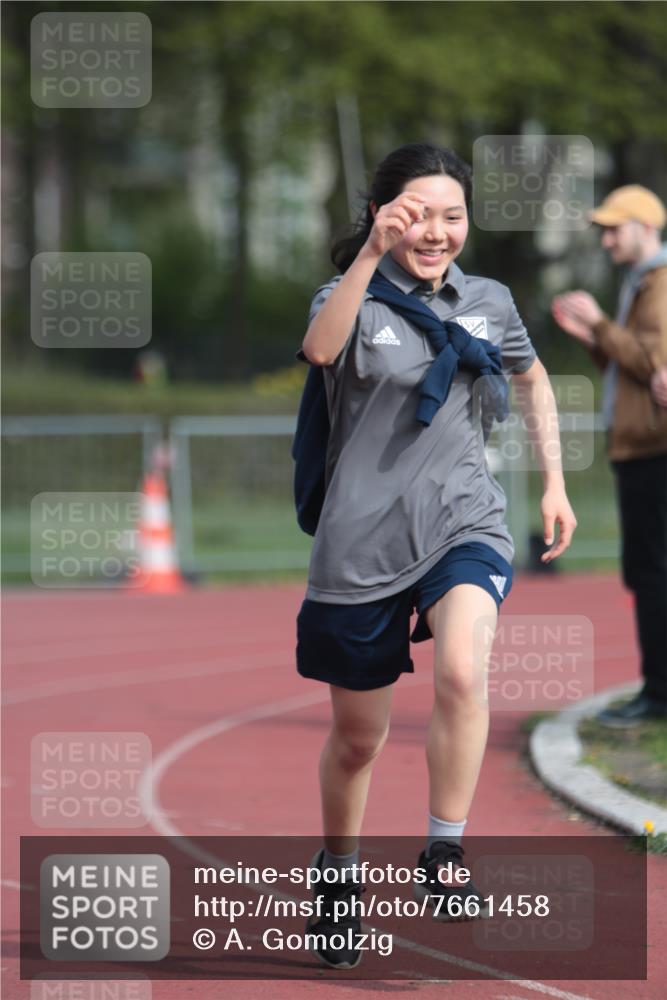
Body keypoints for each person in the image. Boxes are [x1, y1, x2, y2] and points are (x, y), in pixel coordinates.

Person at [296, 143, 576, 969]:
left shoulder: (487, 299)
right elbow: (319, 350)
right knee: (358, 739)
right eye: (418, 213)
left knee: (462, 669)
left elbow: (530, 378)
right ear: (384, 213)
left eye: (451, 215)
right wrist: (373, 258)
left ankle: (444, 852)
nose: (437, 230)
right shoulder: (346, 295)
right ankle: (339, 874)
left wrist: (553, 481)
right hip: (360, 541)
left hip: (463, 522)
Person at [552, 184, 667, 728]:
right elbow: (630, 371)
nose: (605, 240)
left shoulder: (660, 283)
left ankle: (660, 694)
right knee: (646, 570)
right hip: (640, 447)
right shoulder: (641, 283)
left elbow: (654, 366)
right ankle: (656, 689)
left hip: (653, 450)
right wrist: (594, 340)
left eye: (614, 228)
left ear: (646, 227)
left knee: (653, 571)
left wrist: (600, 323)